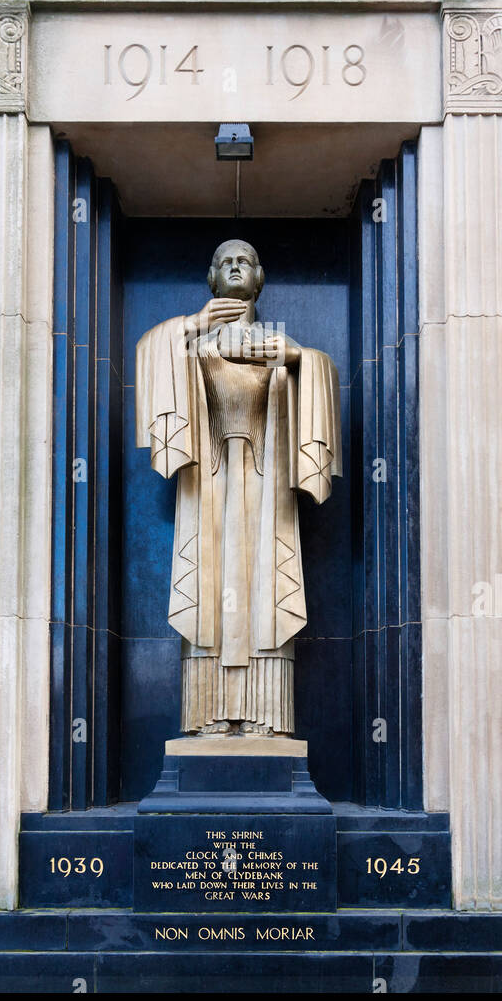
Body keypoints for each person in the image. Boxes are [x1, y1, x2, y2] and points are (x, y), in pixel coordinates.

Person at [136, 238, 341, 736]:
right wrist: (194, 325)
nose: (233, 268)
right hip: (208, 485)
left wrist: (295, 357)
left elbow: (321, 372)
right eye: (224, 262)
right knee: (209, 591)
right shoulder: (189, 342)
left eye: (243, 261)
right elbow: (148, 353)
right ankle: (207, 715)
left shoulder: (281, 347)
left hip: (266, 487)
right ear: (211, 279)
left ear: (260, 277)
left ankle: (266, 717)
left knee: (265, 589)